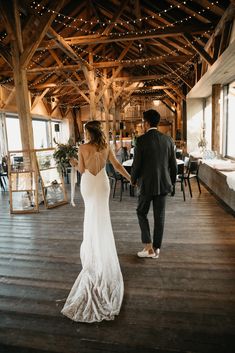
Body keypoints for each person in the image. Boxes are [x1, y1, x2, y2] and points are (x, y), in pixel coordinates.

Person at [61, 120, 131, 323]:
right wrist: (130, 177)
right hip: (102, 184)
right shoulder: (106, 145)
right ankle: (102, 252)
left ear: (88, 132)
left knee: (90, 217)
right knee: (102, 219)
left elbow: (82, 170)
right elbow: (117, 166)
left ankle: (94, 254)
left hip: (89, 185)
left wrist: (72, 161)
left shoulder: (83, 147)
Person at [131, 109, 177, 259]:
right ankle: (156, 249)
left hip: (146, 185)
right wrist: (172, 183)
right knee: (160, 217)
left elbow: (136, 165)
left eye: (143, 122)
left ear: (147, 122)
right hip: (164, 185)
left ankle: (148, 247)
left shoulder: (141, 140)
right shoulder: (168, 140)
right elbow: (174, 165)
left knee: (141, 212)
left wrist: (133, 179)